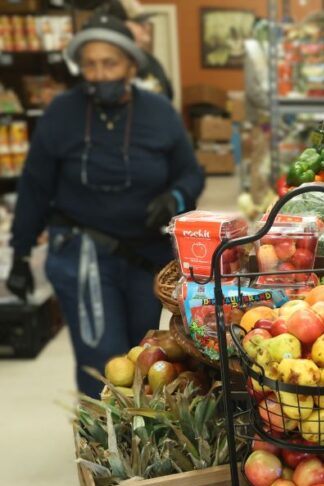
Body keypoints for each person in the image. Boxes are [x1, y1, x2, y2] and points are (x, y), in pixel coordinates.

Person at [5, 13, 204, 398]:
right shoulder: (61, 113)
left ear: (131, 64)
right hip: (81, 255)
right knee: (103, 359)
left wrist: (173, 198)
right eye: (90, 65)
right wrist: (19, 255)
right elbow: (34, 185)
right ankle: (104, 443)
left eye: (109, 63)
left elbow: (191, 174)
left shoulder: (159, 112)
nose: (99, 74)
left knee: (146, 354)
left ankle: (141, 447)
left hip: (145, 258)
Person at [99, 0, 174, 99]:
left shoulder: (152, 62)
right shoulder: (99, 66)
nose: (147, 27)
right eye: (140, 23)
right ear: (119, 26)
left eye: (146, 23)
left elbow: (167, 101)